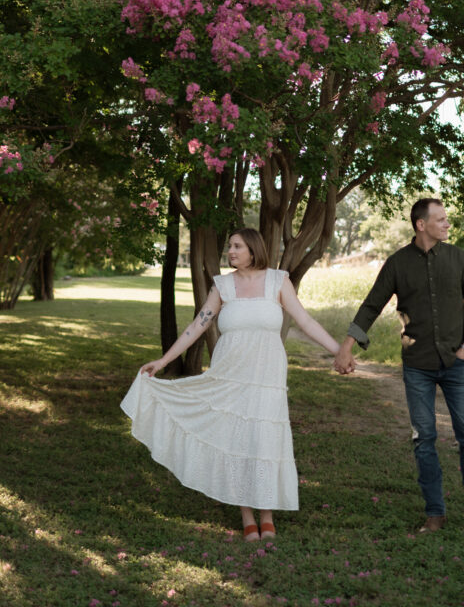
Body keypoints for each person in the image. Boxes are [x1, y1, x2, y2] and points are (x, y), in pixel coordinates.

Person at [121, 227, 343, 542]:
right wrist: (163, 360)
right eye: (230, 247)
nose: (231, 252)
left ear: (254, 249)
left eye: (237, 246)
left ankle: (267, 515)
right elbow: (198, 325)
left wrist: (339, 351)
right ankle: (247, 517)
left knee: (265, 438)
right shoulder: (223, 286)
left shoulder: (278, 281)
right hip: (230, 375)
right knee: (237, 439)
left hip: (267, 377)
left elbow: (306, 322)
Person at [334, 198, 464, 539]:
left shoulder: (459, 258)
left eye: (446, 219)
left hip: (457, 363)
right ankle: (434, 513)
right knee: (424, 439)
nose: (447, 225)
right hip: (417, 367)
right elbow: (371, 306)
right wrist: (346, 347)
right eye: (440, 220)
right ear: (421, 225)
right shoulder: (397, 264)